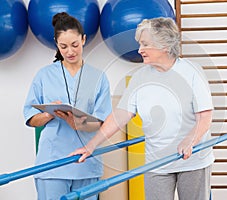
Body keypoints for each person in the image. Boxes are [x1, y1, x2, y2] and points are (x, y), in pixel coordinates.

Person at [71, 17, 214, 200]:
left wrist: (190, 140)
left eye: (145, 44)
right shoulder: (140, 77)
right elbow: (120, 116)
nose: (139, 50)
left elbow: (205, 116)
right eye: (140, 44)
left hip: (193, 160)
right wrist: (91, 145)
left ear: (163, 45)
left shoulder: (192, 72)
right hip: (157, 162)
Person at [23, 12, 112, 200]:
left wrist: (78, 123)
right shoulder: (43, 75)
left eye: (75, 45)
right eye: (63, 46)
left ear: (84, 40)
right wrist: (49, 114)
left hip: (87, 164)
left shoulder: (98, 77)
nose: (70, 51)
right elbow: (30, 118)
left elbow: (103, 122)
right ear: (57, 44)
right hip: (52, 164)